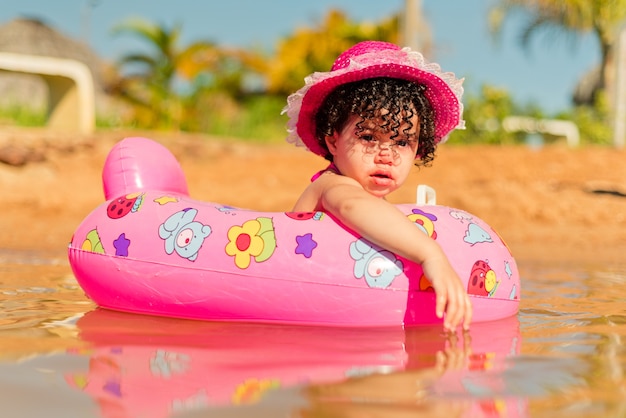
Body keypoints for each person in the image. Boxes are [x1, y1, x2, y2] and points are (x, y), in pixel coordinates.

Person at [283, 40, 472, 331]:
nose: (386, 155)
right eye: (369, 137)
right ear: (333, 140)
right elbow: (352, 205)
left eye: (402, 141)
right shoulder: (333, 186)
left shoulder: (376, 204)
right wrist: (430, 255)